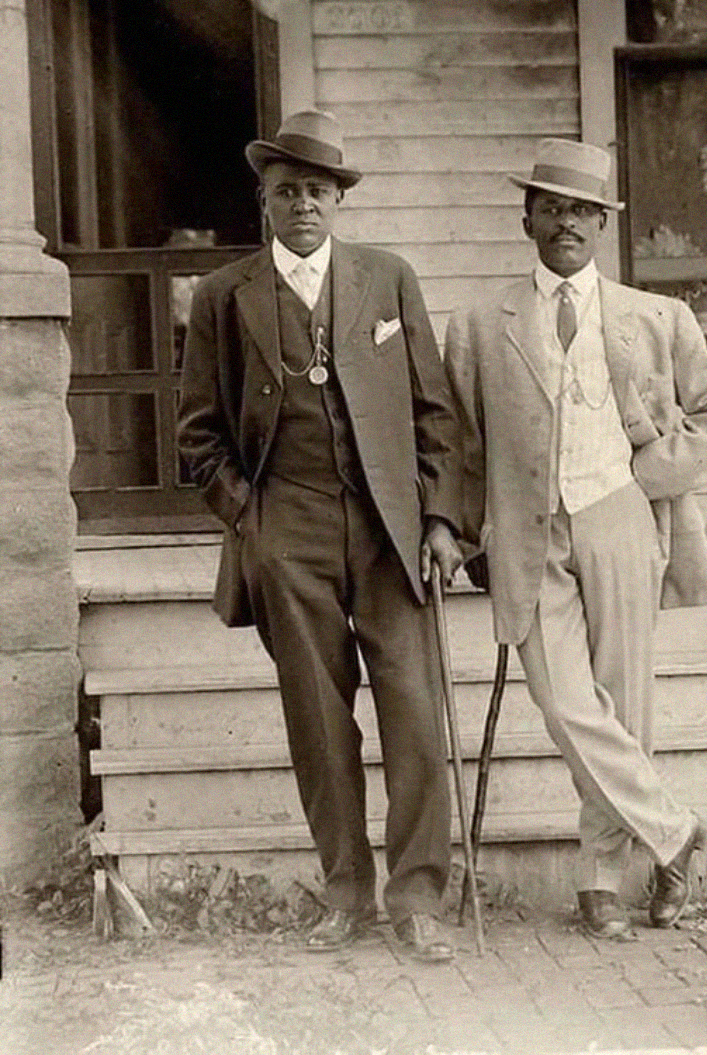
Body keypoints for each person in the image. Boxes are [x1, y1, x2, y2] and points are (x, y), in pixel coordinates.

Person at [444, 138, 707, 936]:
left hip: (620, 519)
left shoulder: (656, 317)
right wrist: (451, 528)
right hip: (524, 535)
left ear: (602, 226)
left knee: (623, 705)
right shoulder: (479, 324)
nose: (566, 222)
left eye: (582, 210)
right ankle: (679, 832)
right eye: (552, 207)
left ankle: (602, 883)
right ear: (527, 220)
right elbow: (460, 446)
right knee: (568, 704)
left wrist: (647, 478)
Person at [178, 110, 464, 961]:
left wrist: (443, 518)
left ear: (339, 201)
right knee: (319, 719)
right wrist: (250, 521)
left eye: (318, 189)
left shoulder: (388, 278)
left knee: (413, 711)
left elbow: (435, 412)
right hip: (286, 525)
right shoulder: (225, 296)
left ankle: (418, 899)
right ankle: (348, 893)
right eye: (287, 190)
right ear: (263, 201)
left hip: (390, 527)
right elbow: (197, 433)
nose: (303, 203)